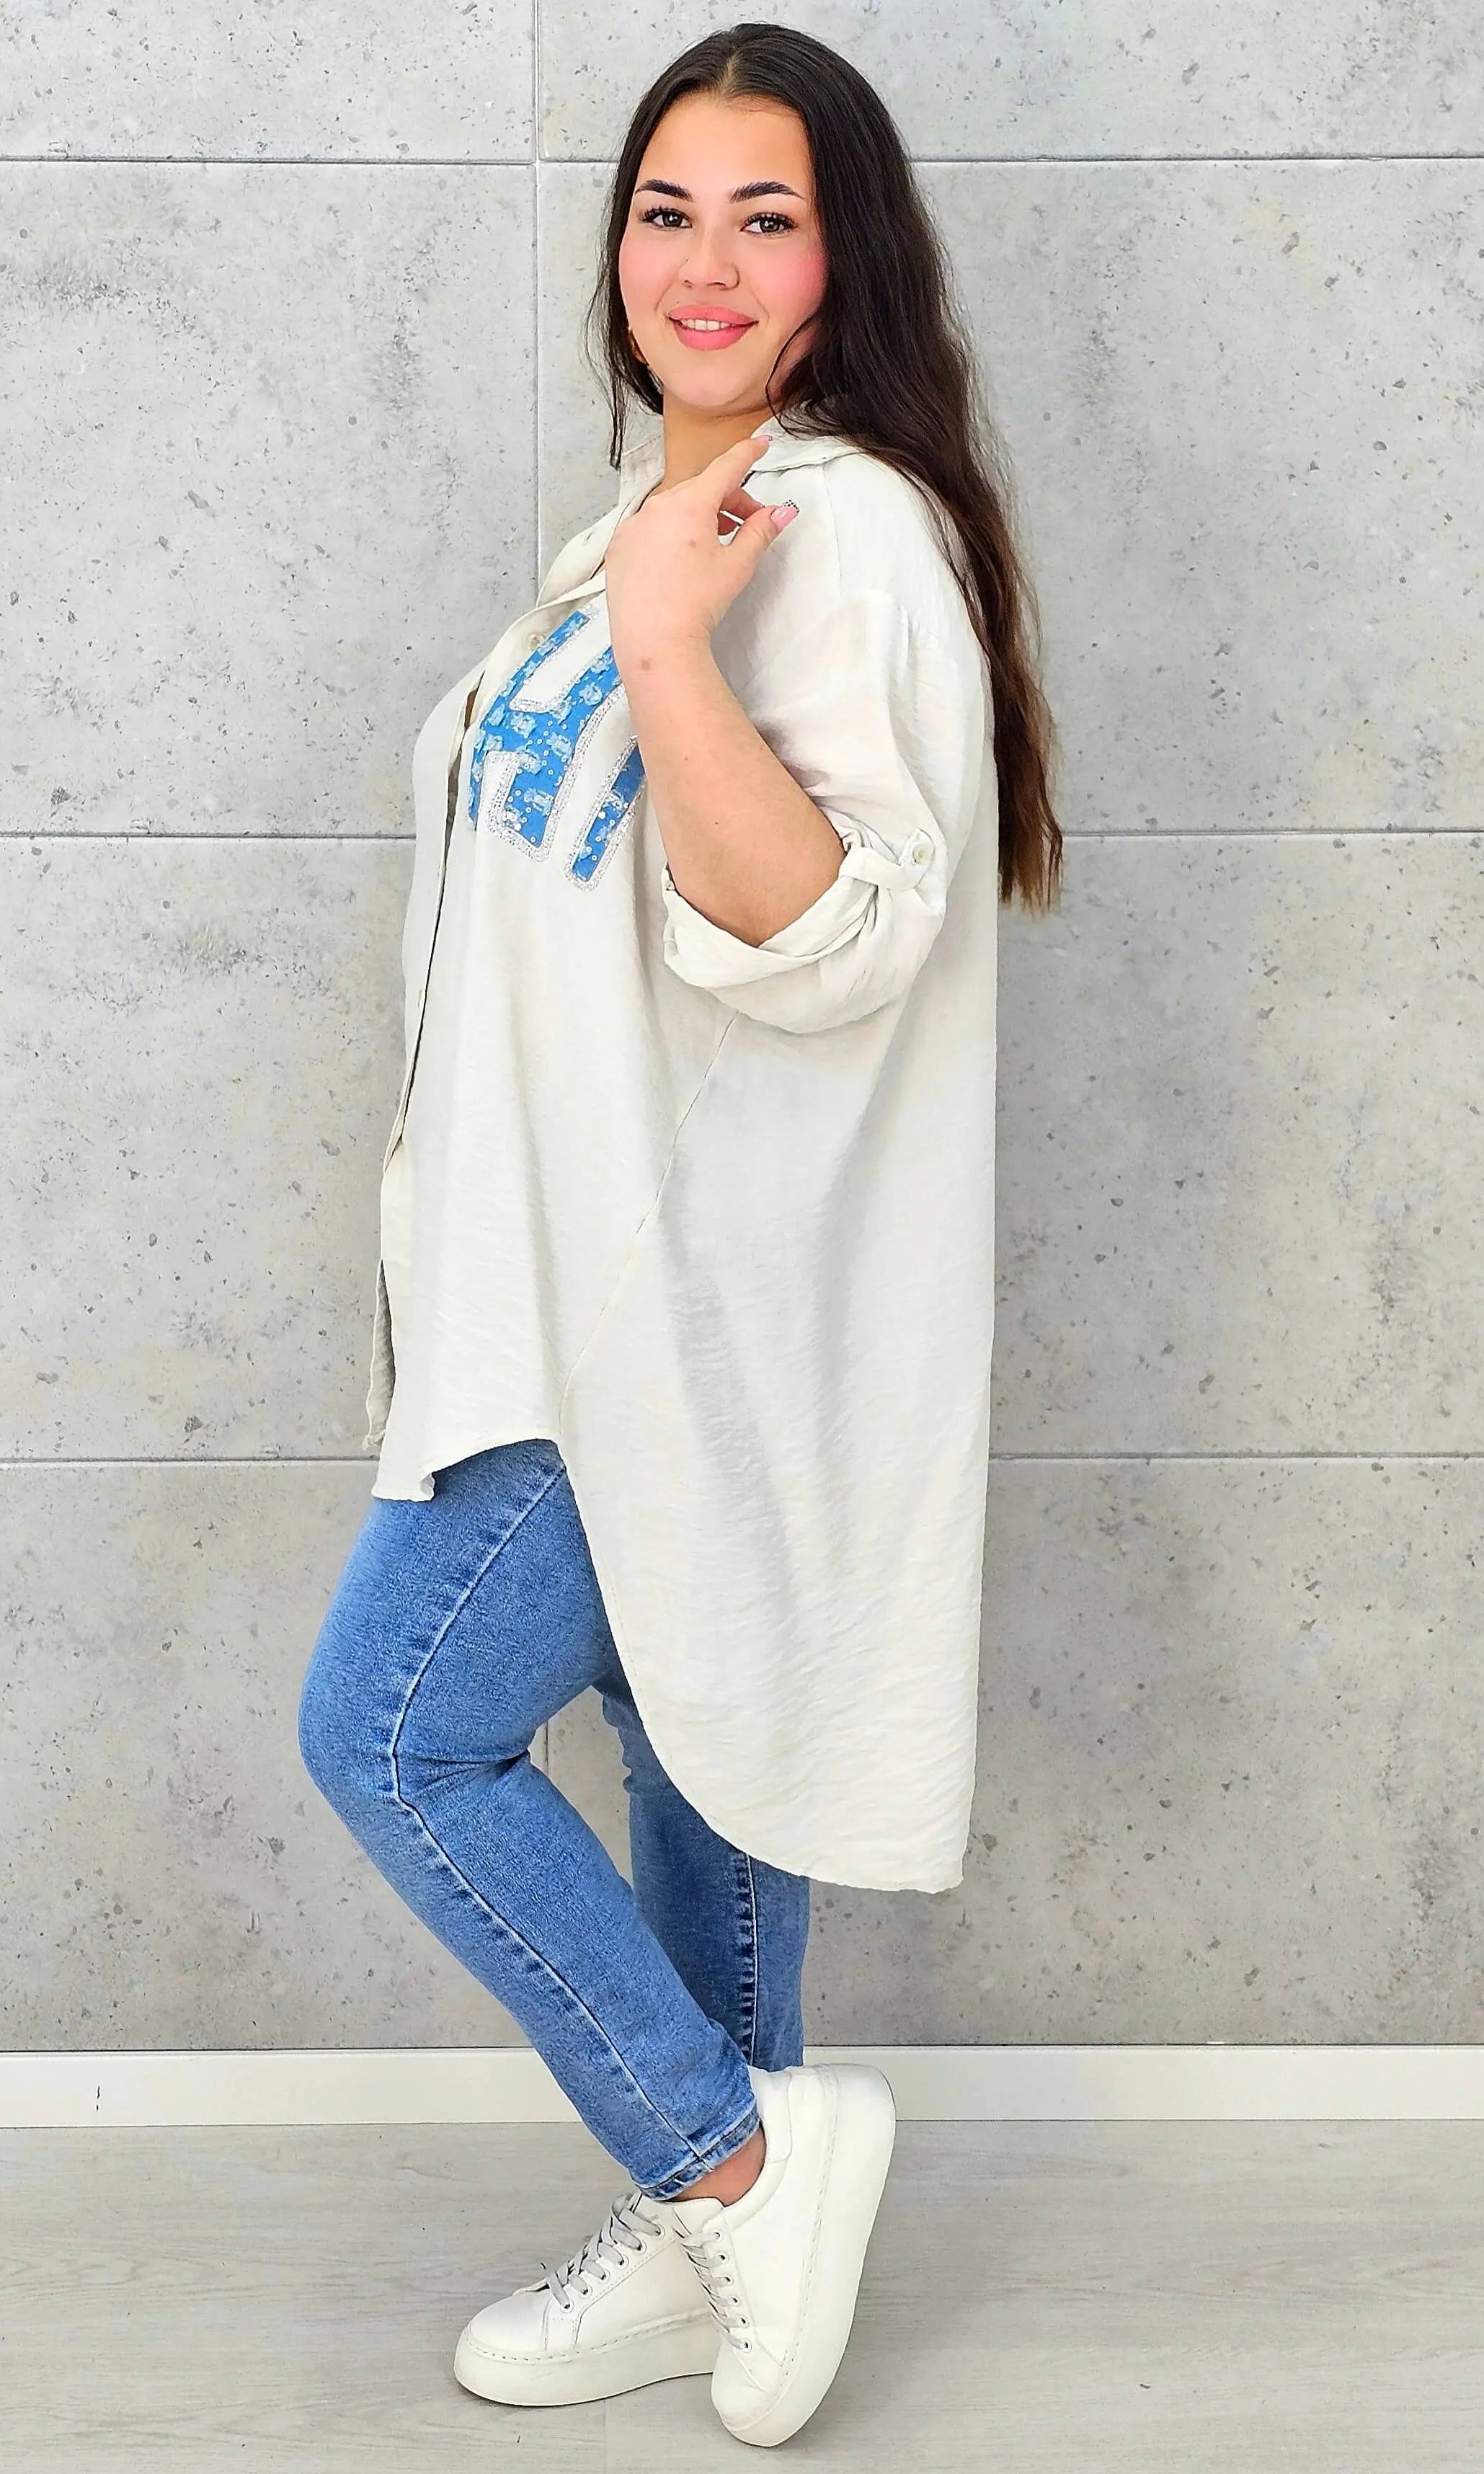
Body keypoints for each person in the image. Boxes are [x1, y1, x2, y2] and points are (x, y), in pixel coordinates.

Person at [296, 18, 1061, 2451]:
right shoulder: (655, 531)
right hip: (571, 1283)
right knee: (694, 1758)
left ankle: (730, 2160)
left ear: (848, 262)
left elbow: (829, 926)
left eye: (765, 217)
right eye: (663, 211)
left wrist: (656, 644)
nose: (702, 264)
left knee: (392, 1731)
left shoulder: (828, 539)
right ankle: (709, 2240)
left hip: (658, 1311)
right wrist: (629, 599)